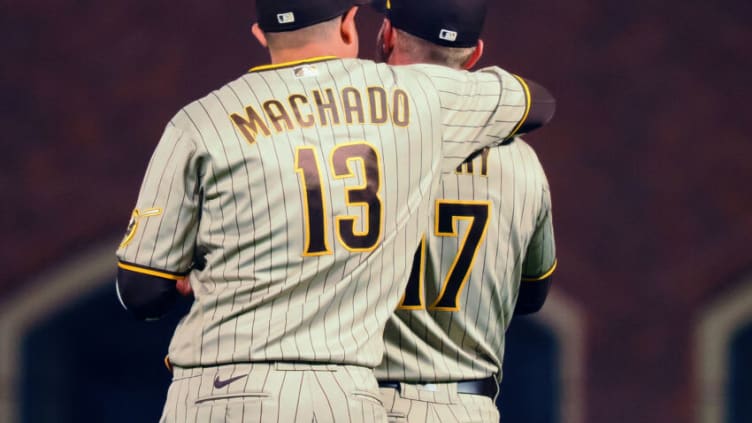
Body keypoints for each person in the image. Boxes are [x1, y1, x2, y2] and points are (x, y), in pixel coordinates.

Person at [114, 0, 554, 421]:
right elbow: (530, 296)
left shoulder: (208, 122)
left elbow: (142, 291)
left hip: (235, 385)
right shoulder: (503, 153)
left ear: (384, 36)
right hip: (400, 398)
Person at [370, 0, 557, 422]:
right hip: (464, 405)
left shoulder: (344, 149)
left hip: (359, 400)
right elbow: (531, 297)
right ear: (474, 54)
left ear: (387, 35)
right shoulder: (523, 161)